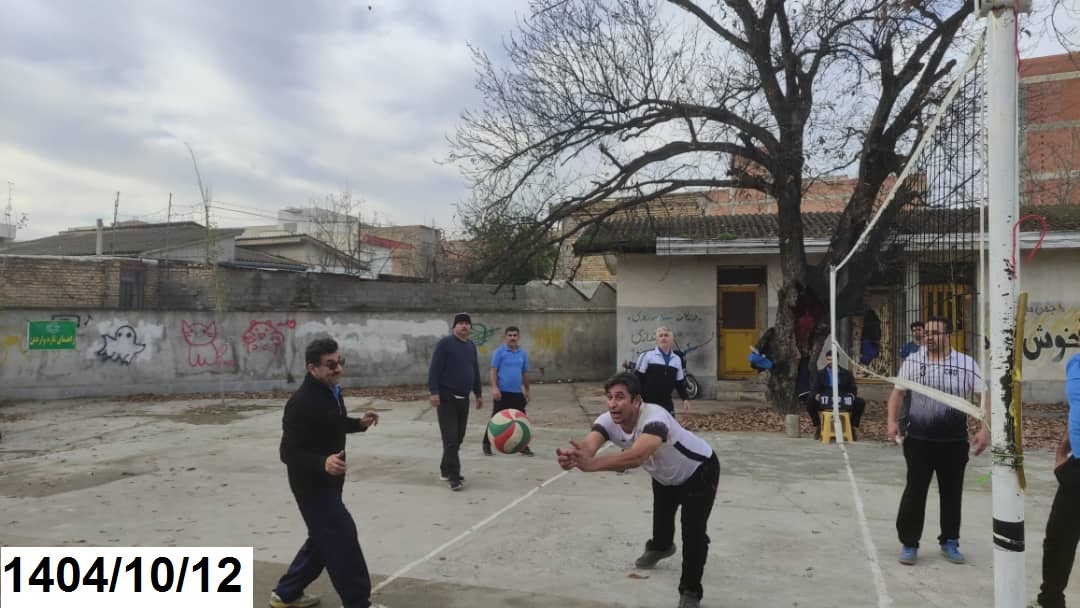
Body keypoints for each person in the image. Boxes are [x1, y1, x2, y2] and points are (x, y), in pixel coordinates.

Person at [557, 372, 719, 608]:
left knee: (693, 532)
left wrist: (592, 465)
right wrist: (575, 457)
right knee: (662, 517)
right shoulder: (608, 420)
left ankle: (691, 591)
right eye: (609, 397)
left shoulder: (655, 418)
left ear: (636, 401)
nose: (613, 404)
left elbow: (636, 457)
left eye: (620, 397)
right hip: (664, 473)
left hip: (699, 471)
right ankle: (661, 547)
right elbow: (589, 446)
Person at [271, 338, 382, 608]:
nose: (338, 369)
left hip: (331, 481)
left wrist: (360, 424)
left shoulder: (331, 390)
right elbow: (288, 452)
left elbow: (334, 423)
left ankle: (286, 594)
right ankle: (358, 603)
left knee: (323, 538)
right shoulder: (301, 403)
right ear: (312, 368)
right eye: (330, 365)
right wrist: (322, 462)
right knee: (342, 535)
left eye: (340, 362)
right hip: (311, 486)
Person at [886, 316, 989, 566]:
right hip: (919, 441)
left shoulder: (966, 364)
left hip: (954, 442)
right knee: (914, 492)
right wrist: (891, 422)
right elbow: (897, 394)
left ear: (947, 335)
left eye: (935, 333)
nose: (928, 337)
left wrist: (985, 429)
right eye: (926, 333)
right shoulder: (913, 361)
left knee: (951, 494)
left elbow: (984, 397)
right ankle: (909, 543)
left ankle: (950, 541)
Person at [1031, 350, 1080, 608]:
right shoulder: (1075, 363)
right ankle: (1050, 601)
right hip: (1075, 469)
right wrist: (1063, 452)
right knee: (1058, 541)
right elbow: (1076, 410)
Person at [428, 312, 482, 491]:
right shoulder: (446, 343)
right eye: (460, 323)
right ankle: (454, 477)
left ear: (470, 327)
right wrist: (434, 392)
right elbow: (434, 369)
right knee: (450, 438)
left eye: (467, 323)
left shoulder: (471, 346)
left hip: (463, 399)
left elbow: (474, 370)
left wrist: (478, 393)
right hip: (446, 398)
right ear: (454, 327)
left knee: (458, 437)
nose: (464, 326)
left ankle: (445, 469)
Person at [483, 326, 533, 456]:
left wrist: (527, 390)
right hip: (502, 393)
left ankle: (523, 446)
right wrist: (494, 388)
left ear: (518, 337)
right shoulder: (499, 352)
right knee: (495, 419)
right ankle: (486, 444)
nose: (512, 338)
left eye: (515, 335)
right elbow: (493, 371)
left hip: (517, 393)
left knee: (522, 420)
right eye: (510, 335)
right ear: (505, 337)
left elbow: (525, 373)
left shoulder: (522, 354)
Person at [807, 351, 866, 440]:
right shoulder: (820, 374)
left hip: (841, 397)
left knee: (860, 402)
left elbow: (853, 388)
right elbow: (814, 388)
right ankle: (819, 426)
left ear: (837, 360)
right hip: (826, 397)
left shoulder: (847, 373)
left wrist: (851, 396)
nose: (830, 362)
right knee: (810, 402)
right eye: (828, 359)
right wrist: (817, 395)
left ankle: (851, 427)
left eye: (832, 359)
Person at [634, 326, 690, 414]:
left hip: (666, 403)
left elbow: (679, 382)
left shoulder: (677, 359)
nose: (663, 338)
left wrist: (685, 398)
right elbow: (637, 378)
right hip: (647, 403)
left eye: (666, 335)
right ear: (657, 340)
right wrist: (637, 397)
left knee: (669, 423)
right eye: (660, 336)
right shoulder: (647, 355)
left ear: (671, 340)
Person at [897, 320, 925, 436]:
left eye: (919, 330)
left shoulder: (929, 347)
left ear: (924, 331)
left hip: (926, 383)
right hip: (909, 383)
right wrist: (902, 383)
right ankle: (901, 432)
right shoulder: (907, 347)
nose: (916, 332)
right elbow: (902, 365)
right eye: (914, 330)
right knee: (906, 410)